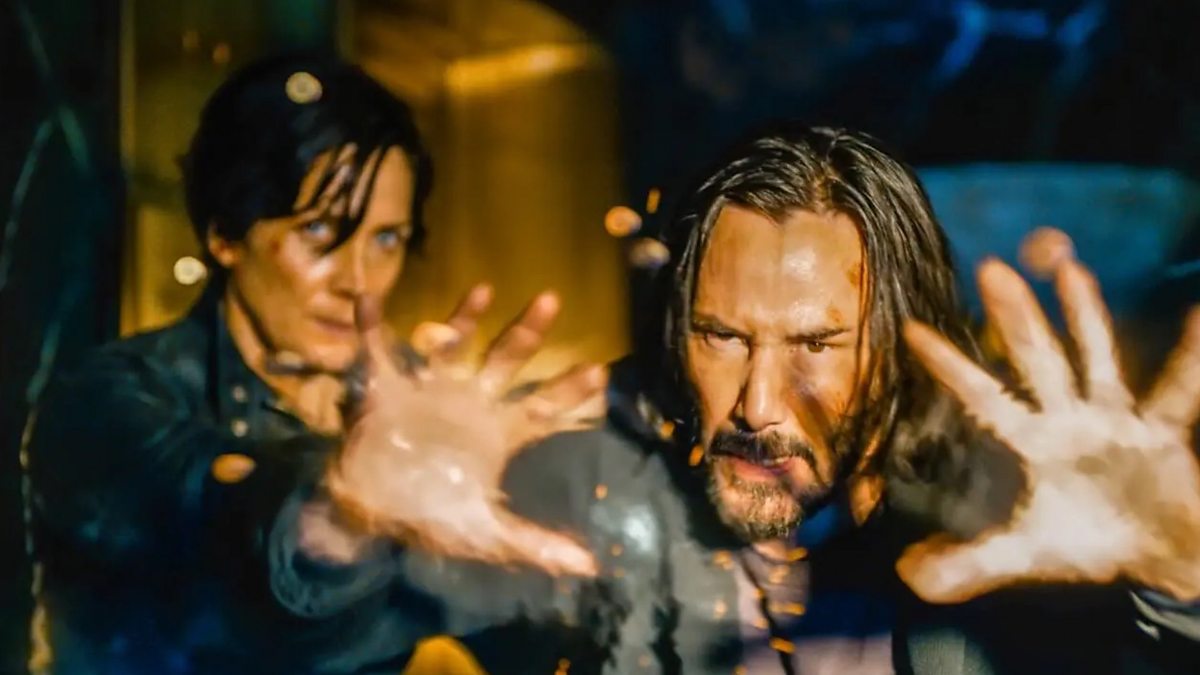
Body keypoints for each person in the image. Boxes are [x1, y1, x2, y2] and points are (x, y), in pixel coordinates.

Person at [276, 126, 1200, 674]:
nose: (758, 403)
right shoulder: (590, 492)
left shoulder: (1012, 524)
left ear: (896, 348)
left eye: (816, 344)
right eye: (721, 335)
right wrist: (341, 525)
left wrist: (1183, 579)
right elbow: (272, 640)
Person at [27, 52, 602, 673]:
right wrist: (337, 516)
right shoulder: (109, 399)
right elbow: (216, 543)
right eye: (321, 233)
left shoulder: (408, 416)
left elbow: (516, 636)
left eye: (386, 239)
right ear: (226, 233)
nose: (359, 280)